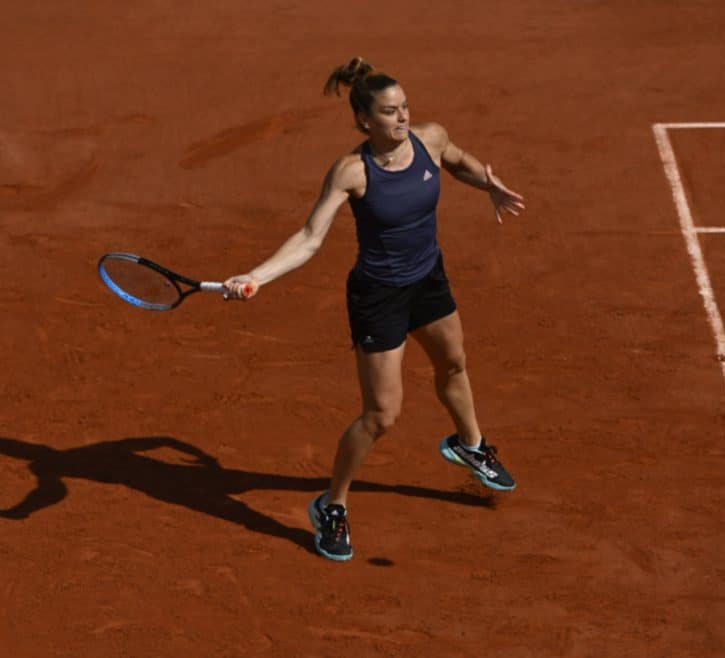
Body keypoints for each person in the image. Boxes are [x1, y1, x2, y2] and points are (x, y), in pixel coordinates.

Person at [223, 57, 525, 562]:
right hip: (378, 296)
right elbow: (308, 237)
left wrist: (486, 184)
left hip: (428, 278)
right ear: (366, 120)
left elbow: (457, 158)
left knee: (453, 363)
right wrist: (256, 275)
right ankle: (330, 504)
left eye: (405, 107)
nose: (403, 118)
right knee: (382, 415)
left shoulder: (429, 138)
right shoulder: (352, 171)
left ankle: (469, 444)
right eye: (390, 112)